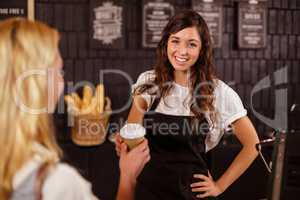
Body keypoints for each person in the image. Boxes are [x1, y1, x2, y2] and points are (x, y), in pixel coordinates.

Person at [115, 10, 259, 199]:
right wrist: (125, 143)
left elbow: (253, 145)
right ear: (166, 42)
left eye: (191, 44)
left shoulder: (218, 92)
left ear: (202, 49)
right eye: (175, 41)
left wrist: (219, 186)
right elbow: (133, 131)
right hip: (149, 191)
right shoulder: (149, 82)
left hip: (192, 195)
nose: (182, 51)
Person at [0, 18, 150, 200]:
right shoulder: (56, 183)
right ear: (36, 84)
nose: (62, 82)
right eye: (58, 72)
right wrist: (128, 176)